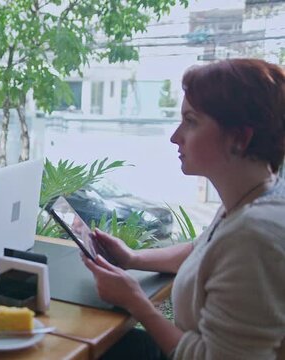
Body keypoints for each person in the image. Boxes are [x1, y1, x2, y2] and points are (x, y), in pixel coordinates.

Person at [83, 58, 285, 359]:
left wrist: (136, 301)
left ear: (240, 138)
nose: (175, 136)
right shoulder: (255, 196)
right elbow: (204, 252)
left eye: (191, 121)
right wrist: (133, 258)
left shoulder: (254, 236)